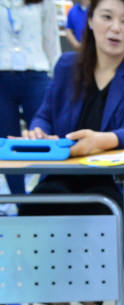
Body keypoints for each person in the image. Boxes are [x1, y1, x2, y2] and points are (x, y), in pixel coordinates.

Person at [12, 0, 124, 305]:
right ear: (89, 22)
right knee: (37, 206)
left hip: (113, 180)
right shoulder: (67, 65)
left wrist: (99, 141)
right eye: (106, 17)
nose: (115, 28)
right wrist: (37, 131)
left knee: (95, 212)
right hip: (65, 172)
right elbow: (45, 115)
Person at [0, 0, 59, 195]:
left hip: (36, 74)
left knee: (43, 139)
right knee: (7, 145)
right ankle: (19, 202)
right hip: (2, 77)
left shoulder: (44, 2)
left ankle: (46, 198)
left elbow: (51, 39)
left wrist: (58, 78)